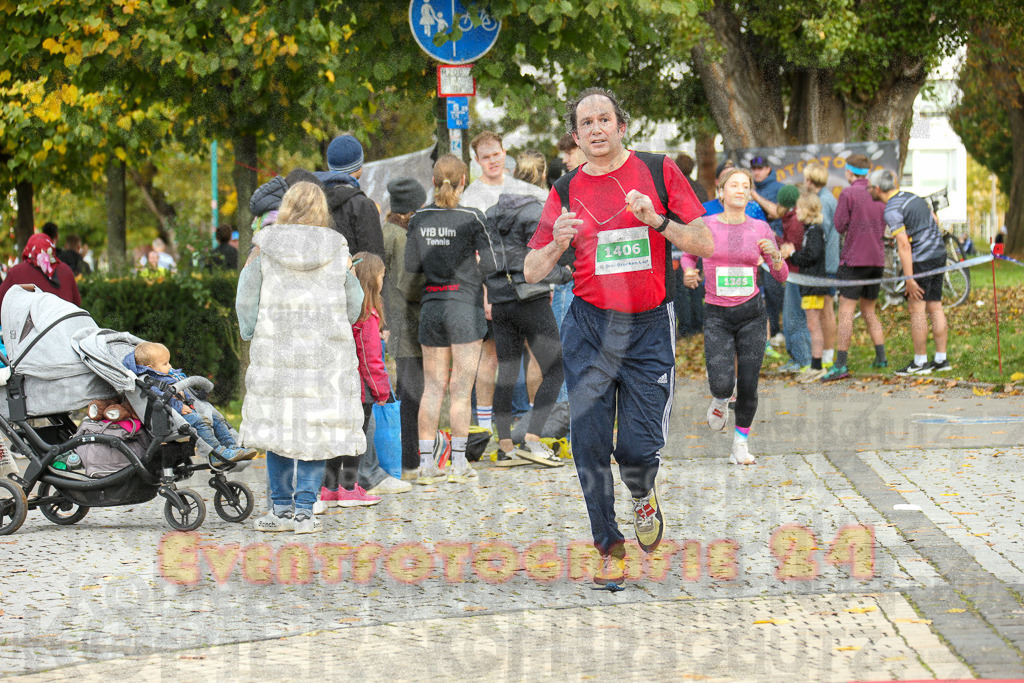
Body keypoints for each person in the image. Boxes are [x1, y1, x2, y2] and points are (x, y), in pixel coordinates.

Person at [524, 87, 713, 586]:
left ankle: (642, 493)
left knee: (635, 447)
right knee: (586, 442)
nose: (595, 130)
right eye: (585, 123)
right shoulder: (564, 190)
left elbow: (705, 242)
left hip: (648, 325)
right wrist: (556, 244)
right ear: (576, 136)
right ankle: (609, 548)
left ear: (621, 125)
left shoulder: (657, 170)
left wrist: (659, 221)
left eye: (603, 119)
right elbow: (530, 268)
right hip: (588, 325)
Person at [237, 181, 366, 534]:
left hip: (277, 349)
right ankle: (305, 511)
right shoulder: (337, 248)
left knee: (279, 427)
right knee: (315, 427)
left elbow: (246, 296)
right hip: (324, 353)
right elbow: (354, 302)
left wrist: (250, 331)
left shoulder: (264, 245)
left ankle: (279, 509)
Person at [682, 168, 787, 467]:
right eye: (734, 185)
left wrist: (776, 257)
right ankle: (719, 401)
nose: (740, 190)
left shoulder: (760, 228)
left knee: (750, 383)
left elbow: (781, 274)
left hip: (752, 314)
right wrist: (689, 270)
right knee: (722, 383)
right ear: (722, 192)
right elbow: (689, 253)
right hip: (717, 315)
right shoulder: (706, 224)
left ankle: (740, 443)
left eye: (746, 185)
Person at [405, 155, 490, 485]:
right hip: (465, 307)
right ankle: (458, 464)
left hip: (433, 305)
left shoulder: (419, 218)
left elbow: (412, 267)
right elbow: (493, 265)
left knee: (433, 387)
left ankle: (426, 466)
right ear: (464, 180)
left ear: (433, 180)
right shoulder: (472, 218)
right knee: (461, 389)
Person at [480, 150, 568, 468]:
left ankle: (504, 447)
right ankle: (532, 440)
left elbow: (486, 260)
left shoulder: (491, 213)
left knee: (507, 373)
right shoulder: (540, 211)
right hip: (531, 299)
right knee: (556, 369)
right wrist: (567, 273)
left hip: (501, 300)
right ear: (543, 177)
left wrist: (489, 292)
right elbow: (546, 258)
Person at [460, 131, 548, 434]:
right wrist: (485, 294)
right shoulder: (470, 197)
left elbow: (542, 232)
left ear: (504, 152)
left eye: (496, 154)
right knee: (492, 356)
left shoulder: (525, 190)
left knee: (537, 351)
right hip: (492, 286)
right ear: (476, 161)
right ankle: (485, 430)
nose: (492, 161)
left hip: (528, 283)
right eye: (485, 157)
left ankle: (535, 429)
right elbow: (472, 253)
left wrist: (543, 279)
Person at [319, 252, 398, 508]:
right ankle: (349, 488)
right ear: (372, 280)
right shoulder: (367, 316)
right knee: (356, 440)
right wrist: (382, 390)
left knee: (337, 438)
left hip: (338, 386)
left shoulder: (347, 312)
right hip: (361, 390)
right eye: (382, 276)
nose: (383, 281)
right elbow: (372, 359)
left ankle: (329, 487)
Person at [868, 169, 951, 375]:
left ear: (878, 189)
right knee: (935, 306)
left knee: (917, 309)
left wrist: (909, 279)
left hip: (921, 259)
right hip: (939, 254)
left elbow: (904, 245)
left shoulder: (892, 209)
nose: (869, 190)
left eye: (870, 187)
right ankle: (941, 359)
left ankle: (920, 362)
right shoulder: (913, 197)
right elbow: (935, 219)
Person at [123, 342, 257, 462]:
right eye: (165, 364)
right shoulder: (149, 380)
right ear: (150, 367)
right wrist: (179, 405)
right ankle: (216, 453)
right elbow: (159, 398)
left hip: (186, 409)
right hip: (169, 417)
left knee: (215, 418)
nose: (169, 366)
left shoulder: (167, 375)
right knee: (200, 421)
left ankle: (232, 447)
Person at [821, 154, 888, 381]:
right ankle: (881, 358)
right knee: (869, 310)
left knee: (846, 311)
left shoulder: (848, 193)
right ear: (867, 172)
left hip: (853, 260)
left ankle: (840, 365)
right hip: (876, 260)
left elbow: (839, 226)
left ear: (849, 173)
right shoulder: (879, 192)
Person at [382, 177, 428, 477]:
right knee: (412, 392)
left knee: (406, 391)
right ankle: (410, 461)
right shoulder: (402, 237)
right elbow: (409, 283)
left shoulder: (387, 231)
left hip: (395, 320)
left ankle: (405, 459)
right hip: (407, 323)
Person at [782, 193, 829, 382]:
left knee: (813, 325)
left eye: (800, 208)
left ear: (809, 210)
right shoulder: (810, 230)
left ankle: (817, 365)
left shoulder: (815, 231)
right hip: (809, 285)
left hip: (814, 285)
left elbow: (812, 256)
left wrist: (793, 254)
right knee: (812, 325)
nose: (797, 211)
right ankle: (815, 364)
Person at [321, 134, 385, 258]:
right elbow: (374, 262)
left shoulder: (313, 201)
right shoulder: (363, 206)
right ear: (359, 167)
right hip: (354, 275)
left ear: (330, 166)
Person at [802, 161, 839, 368]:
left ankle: (827, 355)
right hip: (826, 264)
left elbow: (821, 236)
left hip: (826, 265)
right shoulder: (825, 198)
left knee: (826, 310)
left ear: (810, 180)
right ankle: (825, 354)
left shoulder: (824, 201)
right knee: (824, 310)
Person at [775, 184, 812, 373]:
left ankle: (803, 358)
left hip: (797, 275)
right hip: (792, 274)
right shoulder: (790, 218)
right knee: (791, 316)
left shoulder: (795, 220)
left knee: (794, 317)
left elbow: (793, 247)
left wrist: (779, 243)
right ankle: (797, 356)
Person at [748, 156, 785, 344]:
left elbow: (776, 212)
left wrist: (755, 196)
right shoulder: (749, 188)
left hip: (773, 244)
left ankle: (780, 330)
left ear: (768, 169)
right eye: (754, 169)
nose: (757, 172)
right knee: (758, 290)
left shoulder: (777, 188)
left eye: (761, 168)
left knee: (774, 289)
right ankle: (765, 331)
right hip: (753, 244)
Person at [0, 234, 81, 310]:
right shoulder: (65, 270)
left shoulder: (16, 272)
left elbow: (1, 302)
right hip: (62, 323)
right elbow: (77, 303)